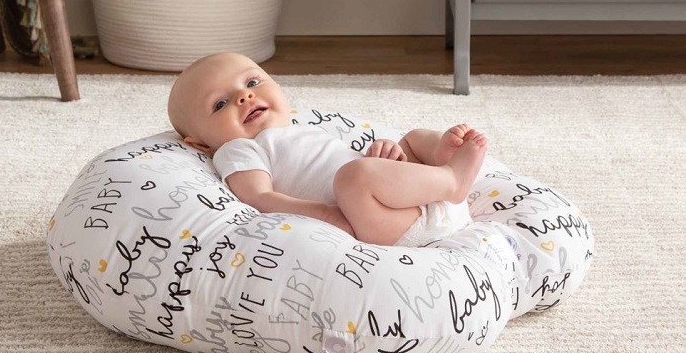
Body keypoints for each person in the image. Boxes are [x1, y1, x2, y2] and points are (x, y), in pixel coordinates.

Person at [167, 52, 487, 247]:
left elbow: (344, 168)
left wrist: (384, 157)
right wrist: (324, 214)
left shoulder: (301, 130)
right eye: (220, 104)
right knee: (353, 177)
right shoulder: (237, 149)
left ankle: (440, 160)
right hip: (386, 227)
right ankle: (451, 180)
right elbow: (259, 198)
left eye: (252, 84)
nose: (244, 97)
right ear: (200, 143)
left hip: (413, 203)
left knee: (409, 139)